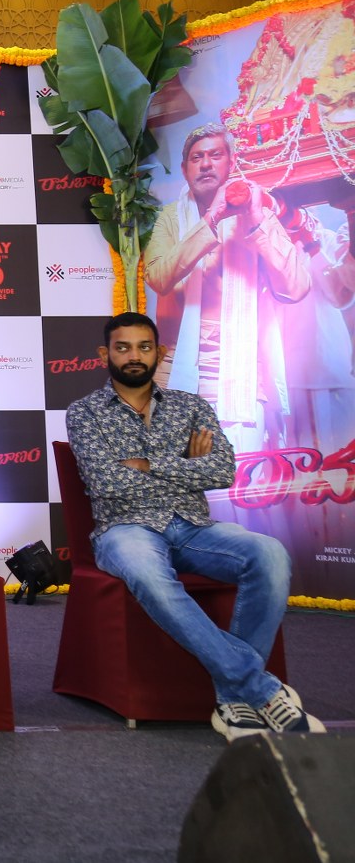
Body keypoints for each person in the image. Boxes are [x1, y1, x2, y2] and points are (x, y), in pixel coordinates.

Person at [64, 311, 324, 739]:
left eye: (144, 347)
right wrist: (186, 465)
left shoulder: (191, 406)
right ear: (104, 354)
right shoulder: (85, 413)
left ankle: (233, 698)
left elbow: (222, 470)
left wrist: (147, 464)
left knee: (270, 553)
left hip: (193, 527)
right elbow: (106, 482)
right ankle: (260, 691)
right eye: (123, 347)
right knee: (149, 573)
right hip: (124, 529)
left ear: (160, 352)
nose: (134, 356)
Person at [146, 123, 309, 456]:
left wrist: (256, 219)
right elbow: (159, 277)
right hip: (176, 368)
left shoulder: (257, 214)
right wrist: (211, 220)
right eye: (197, 158)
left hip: (241, 371)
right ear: (185, 169)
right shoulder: (170, 218)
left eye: (215, 155)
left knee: (244, 476)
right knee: (181, 479)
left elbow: (296, 287)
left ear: (231, 162)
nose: (206, 164)